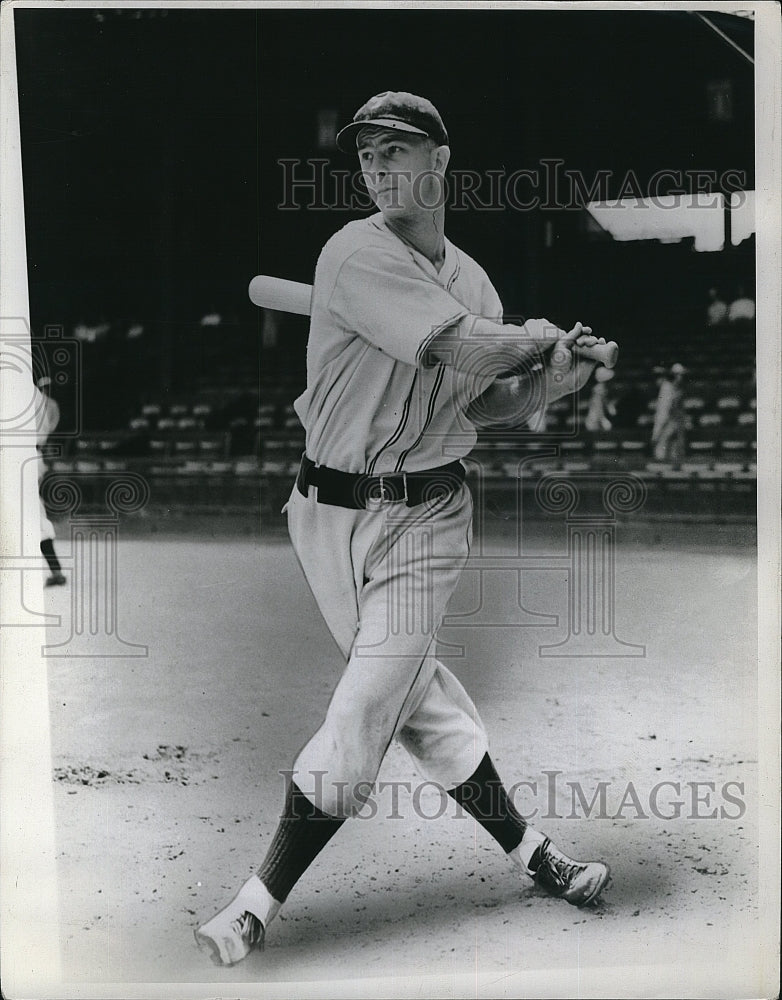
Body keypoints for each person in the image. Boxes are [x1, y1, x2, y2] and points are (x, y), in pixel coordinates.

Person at [195, 92, 611, 967]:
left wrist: (552, 378)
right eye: (367, 156)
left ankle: (254, 902)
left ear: (441, 162)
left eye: (396, 151)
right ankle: (534, 853)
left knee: (369, 697)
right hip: (324, 517)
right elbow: (462, 348)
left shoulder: (473, 283)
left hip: (427, 515)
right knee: (415, 699)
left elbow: (484, 399)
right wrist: (529, 336)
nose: (379, 168)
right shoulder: (351, 252)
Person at [34, 377, 66, 586]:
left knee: (35, 514)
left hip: (24, 456)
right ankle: (55, 570)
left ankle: (55, 570)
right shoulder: (45, 401)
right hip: (34, 455)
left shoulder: (35, 399)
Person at [651, 362, 687, 463]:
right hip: (666, 422)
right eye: (678, 375)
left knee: (675, 452)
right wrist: (658, 430)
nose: (680, 377)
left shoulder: (678, 389)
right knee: (661, 451)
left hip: (675, 422)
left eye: (681, 375)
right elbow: (664, 410)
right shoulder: (666, 388)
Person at [584, 366, 616, 433]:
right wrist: (602, 419)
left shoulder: (603, 389)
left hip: (598, 417)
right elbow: (597, 406)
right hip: (595, 419)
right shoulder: (599, 390)